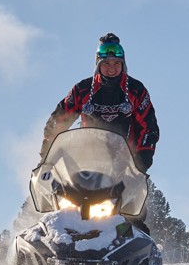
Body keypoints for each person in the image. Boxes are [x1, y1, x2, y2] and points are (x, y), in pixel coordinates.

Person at [40, 33, 159, 173]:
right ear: (98, 64)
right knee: (59, 185)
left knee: (138, 188)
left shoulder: (136, 90)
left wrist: (141, 161)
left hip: (125, 165)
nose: (111, 68)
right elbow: (59, 119)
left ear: (123, 64)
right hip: (86, 161)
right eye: (106, 63)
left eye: (116, 63)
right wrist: (47, 155)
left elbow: (148, 127)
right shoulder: (82, 89)